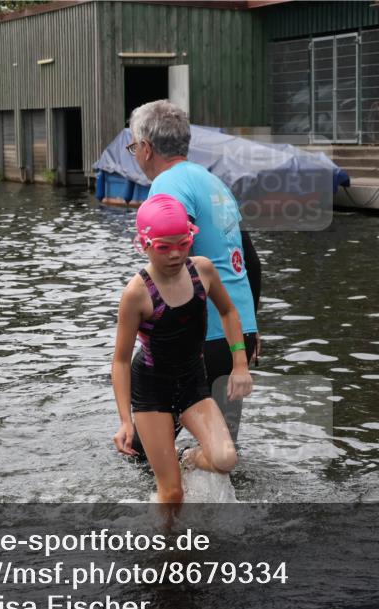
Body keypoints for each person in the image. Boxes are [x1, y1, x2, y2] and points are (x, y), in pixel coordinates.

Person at [127, 100, 261, 454]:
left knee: (143, 449)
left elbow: (172, 263)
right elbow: (250, 260)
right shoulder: (216, 184)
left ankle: (160, 505)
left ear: (146, 147)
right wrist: (250, 329)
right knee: (221, 451)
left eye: (133, 147)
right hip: (236, 336)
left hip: (197, 338)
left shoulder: (166, 187)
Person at [111, 195, 252, 506]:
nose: (175, 254)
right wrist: (125, 421)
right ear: (144, 244)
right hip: (152, 390)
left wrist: (240, 364)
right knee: (172, 494)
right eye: (164, 247)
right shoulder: (136, 294)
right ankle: (171, 550)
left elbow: (229, 313)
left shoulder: (202, 271)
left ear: (191, 237)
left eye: (183, 243)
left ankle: (187, 457)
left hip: (192, 381)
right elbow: (120, 362)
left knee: (226, 459)